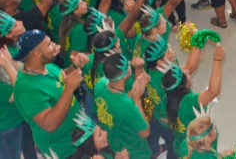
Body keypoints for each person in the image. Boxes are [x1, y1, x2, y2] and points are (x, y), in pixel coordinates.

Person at [12, 30, 85, 159]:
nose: (55, 45)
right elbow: (49, 124)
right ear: (36, 53)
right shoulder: (26, 89)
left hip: (79, 137)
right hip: (64, 151)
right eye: (49, 44)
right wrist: (69, 89)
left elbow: (60, 78)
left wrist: (74, 66)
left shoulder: (47, 67)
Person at [94, 52, 151, 158]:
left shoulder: (100, 84)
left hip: (115, 144)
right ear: (124, 75)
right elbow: (145, 132)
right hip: (133, 152)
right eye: (128, 65)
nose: (130, 63)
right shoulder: (127, 105)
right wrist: (137, 100)